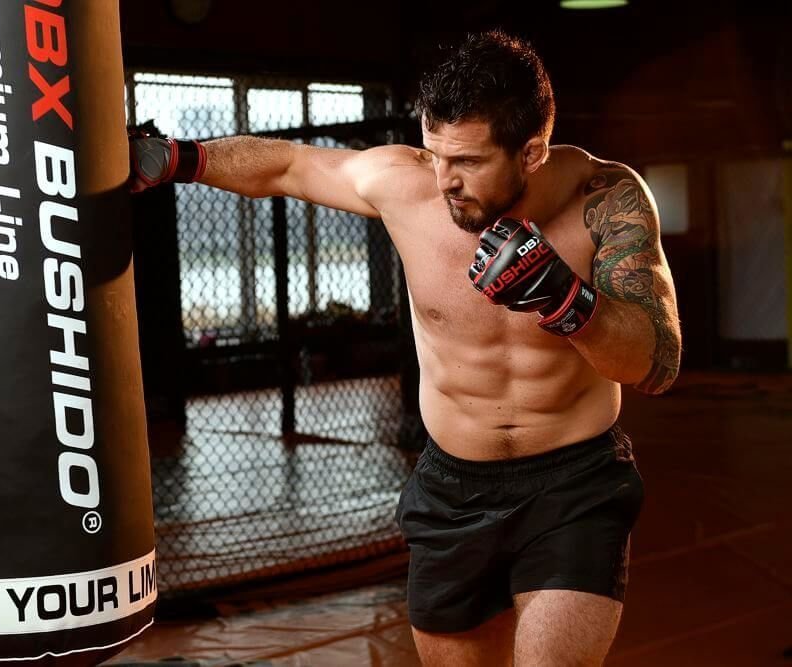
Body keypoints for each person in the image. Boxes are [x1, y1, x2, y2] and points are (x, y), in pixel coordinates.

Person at [129, 29, 681, 667]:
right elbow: (286, 165)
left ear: (531, 151)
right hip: (453, 487)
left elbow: (657, 364)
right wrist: (174, 157)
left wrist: (564, 298)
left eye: (468, 161)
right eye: (435, 153)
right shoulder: (405, 183)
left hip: (574, 486)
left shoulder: (605, 200)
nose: (446, 181)